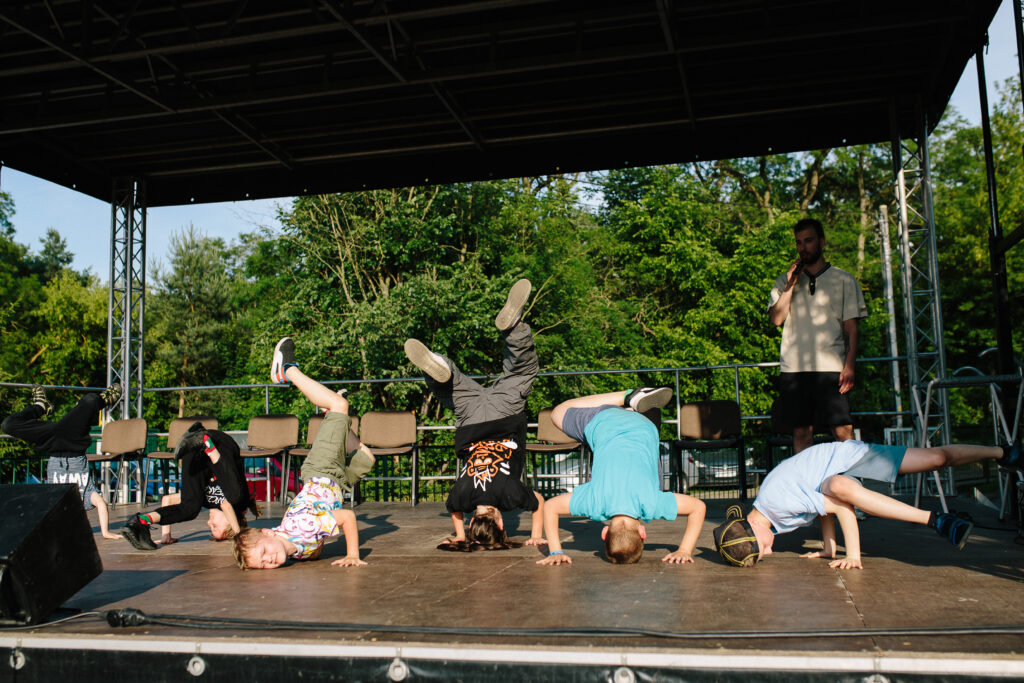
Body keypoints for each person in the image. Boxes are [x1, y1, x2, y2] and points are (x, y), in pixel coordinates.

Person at [713, 439, 1024, 569]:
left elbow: (839, 508)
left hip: (851, 457)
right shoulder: (769, 518)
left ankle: (1002, 453)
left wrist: (853, 555)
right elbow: (821, 509)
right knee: (835, 487)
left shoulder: (774, 502)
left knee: (937, 458)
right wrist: (829, 549)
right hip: (834, 476)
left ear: (752, 528)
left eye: (761, 550)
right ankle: (937, 520)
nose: (768, 552)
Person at [404, 278, 547, 551]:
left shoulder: (509, 495)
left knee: (521, 371)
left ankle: (514, 328)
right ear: (472, 523)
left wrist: (536, 535)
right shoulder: (463, 495)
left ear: (501, 525)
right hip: (470, 422)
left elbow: (538, 503)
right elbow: (454, 509)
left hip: (505, 416)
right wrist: (460, 536)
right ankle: (438, 367)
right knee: (451, 387)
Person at [232, 337, 375, 569]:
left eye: (264, 552)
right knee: (366, 459)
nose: (269, 559)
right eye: (263, 564)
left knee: (340, 405)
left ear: (268, 533)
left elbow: (347, 517)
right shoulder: (296, 551)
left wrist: (352, 555)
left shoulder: (301, 526)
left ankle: (287, 370)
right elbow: (314, 549)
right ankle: (332, 417)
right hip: (335, 483)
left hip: (321, 471)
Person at [536, 387, 706, 566]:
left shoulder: (652, 504)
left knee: (654, 480)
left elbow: (698, 508)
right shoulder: (594, 504)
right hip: (604, 421)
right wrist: (556, 551)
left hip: (646, 425)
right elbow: (550, 507)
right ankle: (627, 397)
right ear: (604, 533)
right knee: (557, 413)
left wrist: (684, 550)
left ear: (642, 533)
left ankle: (631, 406)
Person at [768, 217, 867, 452]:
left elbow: (851, 328)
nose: (803, 247)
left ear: (821, 242)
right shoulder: (784, 281)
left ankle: (852, 474)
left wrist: (850, 366)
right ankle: (805, 477)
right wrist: (791, 283)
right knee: (801, 432)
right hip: (794, 369)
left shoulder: (844, 280)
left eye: (808, 241)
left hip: (831, 368)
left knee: (842, 430)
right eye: (798, 242)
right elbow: (776, 319)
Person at [1, 384, 123, 540]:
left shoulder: (54, 501)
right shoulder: (85, 498)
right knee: (90, 400)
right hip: (73, 441)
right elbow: (101, 504)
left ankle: (40, 406)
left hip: (52, 443)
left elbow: (38, 514)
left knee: (8, 425)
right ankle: (105, 399)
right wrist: (105, 532)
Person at [120, 422, 258, 550]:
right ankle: (207, 444)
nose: (208, 523)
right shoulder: (240, 505)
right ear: (230, 524)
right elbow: (226, 505)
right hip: (221, 444)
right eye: (214, 526)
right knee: (235, 496)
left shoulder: (206, 501)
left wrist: (166, 534)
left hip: (194, 448)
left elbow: (168, 500)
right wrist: (239, 536)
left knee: (190, 508)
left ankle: (141, 522)